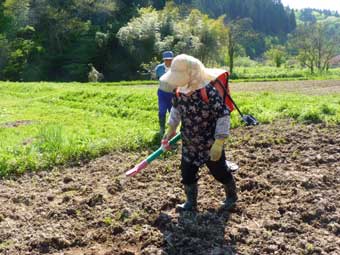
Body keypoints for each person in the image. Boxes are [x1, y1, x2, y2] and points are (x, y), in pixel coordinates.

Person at [160, 54, 238, 212]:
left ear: (191, 73)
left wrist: (219, 142)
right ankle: (191, 202)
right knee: (187, 173)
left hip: (209, 143)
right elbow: (176, 111)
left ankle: (231, 196)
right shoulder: (179, 92)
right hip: (189, 142)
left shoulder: (207, 91)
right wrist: (170, 130)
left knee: (220, 172)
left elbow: (223, 114)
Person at [155, 51, 174, 136]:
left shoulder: (176, 69)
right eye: (166, 60)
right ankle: (162, 128)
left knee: (172, 112)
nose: (168, 61)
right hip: (162, 93)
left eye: (170, 60)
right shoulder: (159, 68)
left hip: (173, 94)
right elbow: (158, 78)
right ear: (164, 60)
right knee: (162, 111)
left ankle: (172, 130)